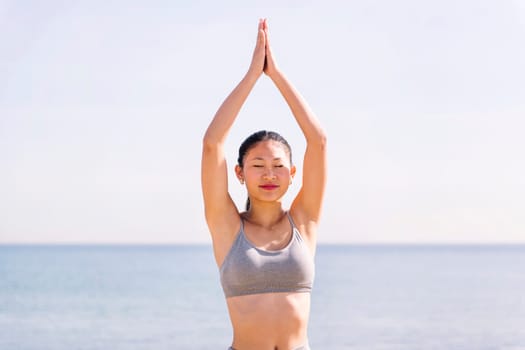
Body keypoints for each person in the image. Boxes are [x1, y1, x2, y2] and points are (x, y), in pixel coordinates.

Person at [201, 18, 327, 350]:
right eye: (258, 165)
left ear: (293, 173)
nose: (269, 174)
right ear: (240, 173)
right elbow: (213, 144)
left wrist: (277, 75)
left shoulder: (305, 221)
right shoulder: (226, 226)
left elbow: (319, 141)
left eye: (278, 166)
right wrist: (253, 76)